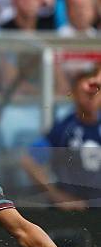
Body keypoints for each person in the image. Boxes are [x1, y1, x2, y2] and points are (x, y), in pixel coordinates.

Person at [22, 70, 101, 210]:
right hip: (77, 210)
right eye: (87, 93)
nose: (92, 97)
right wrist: (55, 195)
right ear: (75, 95)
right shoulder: (64, 129)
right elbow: (29, 161)